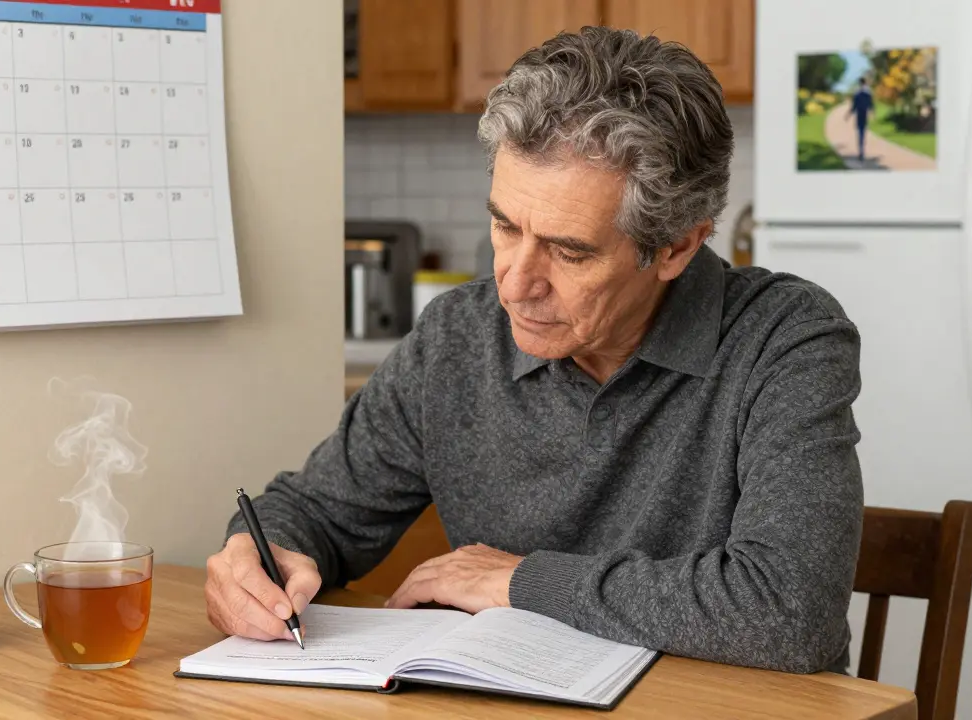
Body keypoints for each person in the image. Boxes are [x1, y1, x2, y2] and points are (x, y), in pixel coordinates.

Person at [206, 27, 864, 675]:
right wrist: (260, 554)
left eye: (569, 250)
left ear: (676, 248)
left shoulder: (785, 337)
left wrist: (521, 583)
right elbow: (318, 510)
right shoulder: (457, 337)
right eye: (503, 224)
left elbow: (791, 610)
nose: (514, 284)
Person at [847, 77, 875, 161]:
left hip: (859, 114)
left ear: (859, 83)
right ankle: (861, 149)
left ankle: (861, 150)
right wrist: (873, 113)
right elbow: (871, 104)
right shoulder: (867, 93)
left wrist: (848, 115)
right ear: (865, 82)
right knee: (862, 132)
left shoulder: (857, 93)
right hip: (864, 114)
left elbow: (854, 106)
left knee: (860, 132)